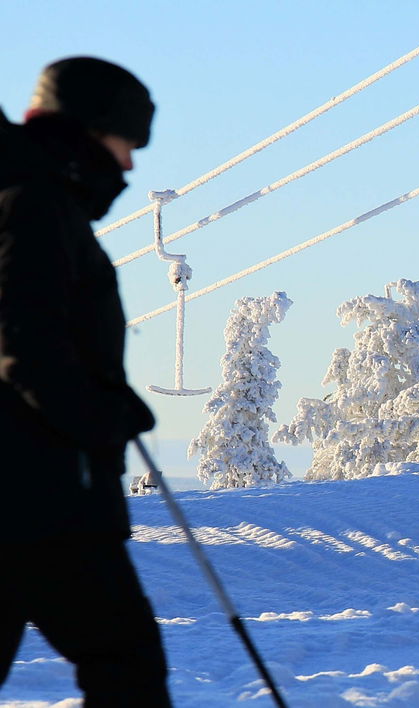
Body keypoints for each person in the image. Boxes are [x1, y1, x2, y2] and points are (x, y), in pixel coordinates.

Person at [0, 57, 172, 706]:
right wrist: (103, 414)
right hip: (42, 500)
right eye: (125, 143)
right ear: (86, 132)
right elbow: (25, 348)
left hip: (35, 496)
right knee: (125, 663)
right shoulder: (34, 206)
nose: (129, 166)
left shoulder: (29, 197)